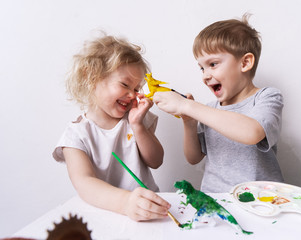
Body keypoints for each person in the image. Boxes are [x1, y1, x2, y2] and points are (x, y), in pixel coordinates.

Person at [153, 14, 284, 193]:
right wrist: (189, 122)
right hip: (216, 197)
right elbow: (194, 157)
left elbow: (252, 132)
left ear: (245, 63)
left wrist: (188, 106)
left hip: (260, 199)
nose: (205, 75)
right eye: (202, 68)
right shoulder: (210, 110)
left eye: (213, 64)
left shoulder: (267, 97)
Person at [53, 34, 171, 221]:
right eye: (125, 84)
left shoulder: (136, 119)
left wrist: (138, 126)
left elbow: (156, 161)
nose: (132, 95)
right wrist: (125, 202)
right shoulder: (75, 135)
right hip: (106, 215)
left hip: (148, 211)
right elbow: (84, 182)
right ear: (91, 77)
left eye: (137, 88)